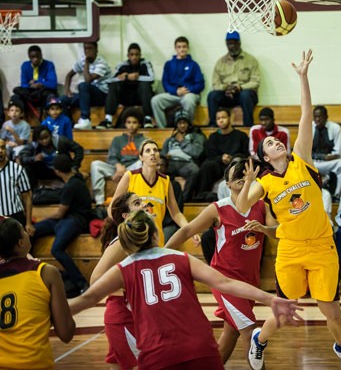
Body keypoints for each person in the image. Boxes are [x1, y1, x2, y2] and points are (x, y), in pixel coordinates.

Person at [237, 50, 341, 370]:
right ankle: (259, 341)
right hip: (290, 249)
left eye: (278, 141)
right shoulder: (264, 181)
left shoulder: (301, 159)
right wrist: (247, 183)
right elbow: (242, 206)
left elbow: (306, 114)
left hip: (321, 245)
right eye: (270, 145)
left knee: (330, 309)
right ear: (265, 157)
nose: (276, 144)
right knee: (283, 309)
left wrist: (303, 76)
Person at [70, 210, 303, 370]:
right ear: (155, 234)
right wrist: (269, 298)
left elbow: (88, 298)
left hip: (157, 352)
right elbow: (225, 283)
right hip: (199, 346)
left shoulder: (123, 269)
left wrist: (47, 309)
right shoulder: (180, 257)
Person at [166, 158, 277, 364]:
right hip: (224, 280)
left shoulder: (262, 206)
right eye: (237, 175)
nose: (243, 177)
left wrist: (263, 229)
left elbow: (277, 232)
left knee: (231, 333)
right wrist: (162, 252)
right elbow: (188, 230)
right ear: (227, 184)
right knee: (249, 331)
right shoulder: (218, 208)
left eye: (246, 174)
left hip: (250, 281)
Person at [0, 216, 75, 369]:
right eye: (24, 231)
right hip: (34, 364)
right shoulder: (46, 272)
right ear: (21, 243)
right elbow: (66, 333)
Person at [90, 192, 145, 370]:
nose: (144, 205)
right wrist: (126, 291)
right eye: (137, 203)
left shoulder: (138, 238)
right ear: (126, 216)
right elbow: (95, 279)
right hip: (123, 316)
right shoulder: (121, 242)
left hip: (133, 315)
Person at [109, 139, 191, 246]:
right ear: (141, 157)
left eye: (155, 150)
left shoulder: (165, 181)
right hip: (134, 238)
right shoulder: (130, 176)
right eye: (148, 150)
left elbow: (176, 213)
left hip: (156, 239)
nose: (152, 153)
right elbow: (112, 208)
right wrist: (124, 229)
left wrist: (190, 230)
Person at [32, 154, 93, 296]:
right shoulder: (76, 177)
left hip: (76, 220)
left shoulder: (71, 186)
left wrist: (44, 218)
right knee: (34, 230)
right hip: (66, 218)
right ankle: (31, 268)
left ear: (57, 171)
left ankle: (81, 282)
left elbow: (59, 213)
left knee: (57, 249)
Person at [90, 108, 145, 206]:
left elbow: (143, 158)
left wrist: (125, 172)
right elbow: (111, 157)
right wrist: (118, 166)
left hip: (133, 170)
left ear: (139, 124)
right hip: (117, 169)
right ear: (125, 123)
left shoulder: (144, 140)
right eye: (128, 122)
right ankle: (99, 202)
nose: (131, 125)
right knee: (96, 165)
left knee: (142, 163)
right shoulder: (117, 140)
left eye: (134, 122)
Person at [194, 107, 249, 201]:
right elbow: (210, 155)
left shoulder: (241, 136)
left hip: (235, 165)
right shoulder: (213, 137)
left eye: (223, 117)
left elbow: (246, 154)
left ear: (230, 118)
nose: (221, 120)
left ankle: (238, 193)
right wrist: (221, 158)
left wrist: (232, 158)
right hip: (218, 166)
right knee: (207, 165)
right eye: (218, 118)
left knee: (238, 160)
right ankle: (202, 195)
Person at [98, 43, 156, 130]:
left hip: (140, 96)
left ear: (140, 55)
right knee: (114, 86)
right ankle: (108, 119)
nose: (134, 57)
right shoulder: (122, 65)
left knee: (145, 85)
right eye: (132, 55)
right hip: (125, 96)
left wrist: (137, 77)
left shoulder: (145, 64)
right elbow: (109, 80)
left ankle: (148, 119)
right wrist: (126, 77)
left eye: (137, 54)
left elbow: (152, 78)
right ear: (128, 56)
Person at [208, 31, 260, 127]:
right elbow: (215, 84)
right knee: (212, 96)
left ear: (239, 43)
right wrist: (226, 87)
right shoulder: (220, 62)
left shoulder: (251, 60)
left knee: (246, 95)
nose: (232, 46)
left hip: (243, 93)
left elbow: (255, 82)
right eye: (229, 43)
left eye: (234, 43)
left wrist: (240, 87)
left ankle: (248, 126)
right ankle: (213, 126)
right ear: (226, 44)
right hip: (227, 93)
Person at [151, 36, 204, 128]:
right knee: (155, 100)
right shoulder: (169, 64)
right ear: (175, 48)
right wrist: (176, 91)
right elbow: (165, 83)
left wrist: (188, 89)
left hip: (189, 94)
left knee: (189, 100)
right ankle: (162, 129)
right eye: (179, 47)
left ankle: (188, 128)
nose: (182, 49)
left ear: (188, 48)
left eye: (184, 46)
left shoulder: (193, 65)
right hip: (173, 94)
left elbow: (200, 84)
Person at [64, 41, 112, 130]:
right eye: (85, 49)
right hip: (87, 96)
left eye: (90, 48)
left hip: (101, 95)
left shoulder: (101, 63)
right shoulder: (82, 60)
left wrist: (86, 63)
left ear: (96, 50)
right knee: (62, 100)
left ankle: (85, 119)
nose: (87, 51)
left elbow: (88, 80)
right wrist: (67, 90)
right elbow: (69, 75)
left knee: (83, 86)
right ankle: (69, 125)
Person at [161, 108, 206, 202]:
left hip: (186, 163)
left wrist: (182, 141)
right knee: (159, 167)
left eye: (184, 123)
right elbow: (162, 155)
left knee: (195, 170)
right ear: (176, 124)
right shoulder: (170, 139)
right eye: (179, 123)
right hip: (171, 162)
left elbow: (197, 153)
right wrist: (165, 158)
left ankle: (184, 200)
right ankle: (162, 198)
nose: (182, 125)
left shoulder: (196, 136)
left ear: (189, 124)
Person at [19, 125, 84, 189]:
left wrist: (75, 166)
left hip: (61, 171)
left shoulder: (60, 141)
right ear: (37, 139)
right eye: (41, 139)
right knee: (28, 168)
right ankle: (34, 192)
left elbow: (79, 149)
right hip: (44, 171)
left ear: (50, 135)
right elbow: (22, 157)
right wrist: (33, 158)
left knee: (77, 179)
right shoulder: (34, 145)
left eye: (46, 137)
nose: (44, 141)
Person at [312, 104, 341, 200]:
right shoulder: (308, 128)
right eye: (315, 117)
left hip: (330, 162)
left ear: (326, 117)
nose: (317, 119)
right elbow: (304, 151)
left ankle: (339, 196)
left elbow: (338, 153)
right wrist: (322, 157)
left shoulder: (335, 128)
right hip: (312, 162)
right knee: (299, 164)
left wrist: (328, 158)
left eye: (320, 116)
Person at [0, 139, 35, 235]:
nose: (0, 151)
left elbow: (27, 198)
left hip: (15, 216)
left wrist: (28, 223)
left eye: (2, 147)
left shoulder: (17, 169)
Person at [12, 45, 57, 119]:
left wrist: (38, 82)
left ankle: (51, 121)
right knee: (15, 97)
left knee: (51, 97)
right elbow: (23, 84)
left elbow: (53, 84)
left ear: (41, 55)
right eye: (32, 57)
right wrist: (31, 85)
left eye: (37, 56)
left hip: (43, 93)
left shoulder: (49, 65)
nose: (35, 59)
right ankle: (18, 121)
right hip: (30, 93)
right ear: (29, 57)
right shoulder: (25, 65)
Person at [158, 154, 185, 243]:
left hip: (169, 224)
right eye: (157, 165)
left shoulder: (174, 185)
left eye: (162, 165)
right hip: (153, 223)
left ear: (166, 168)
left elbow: (178, 209)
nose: (158, 168)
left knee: (162, 244)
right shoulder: (145, 184)